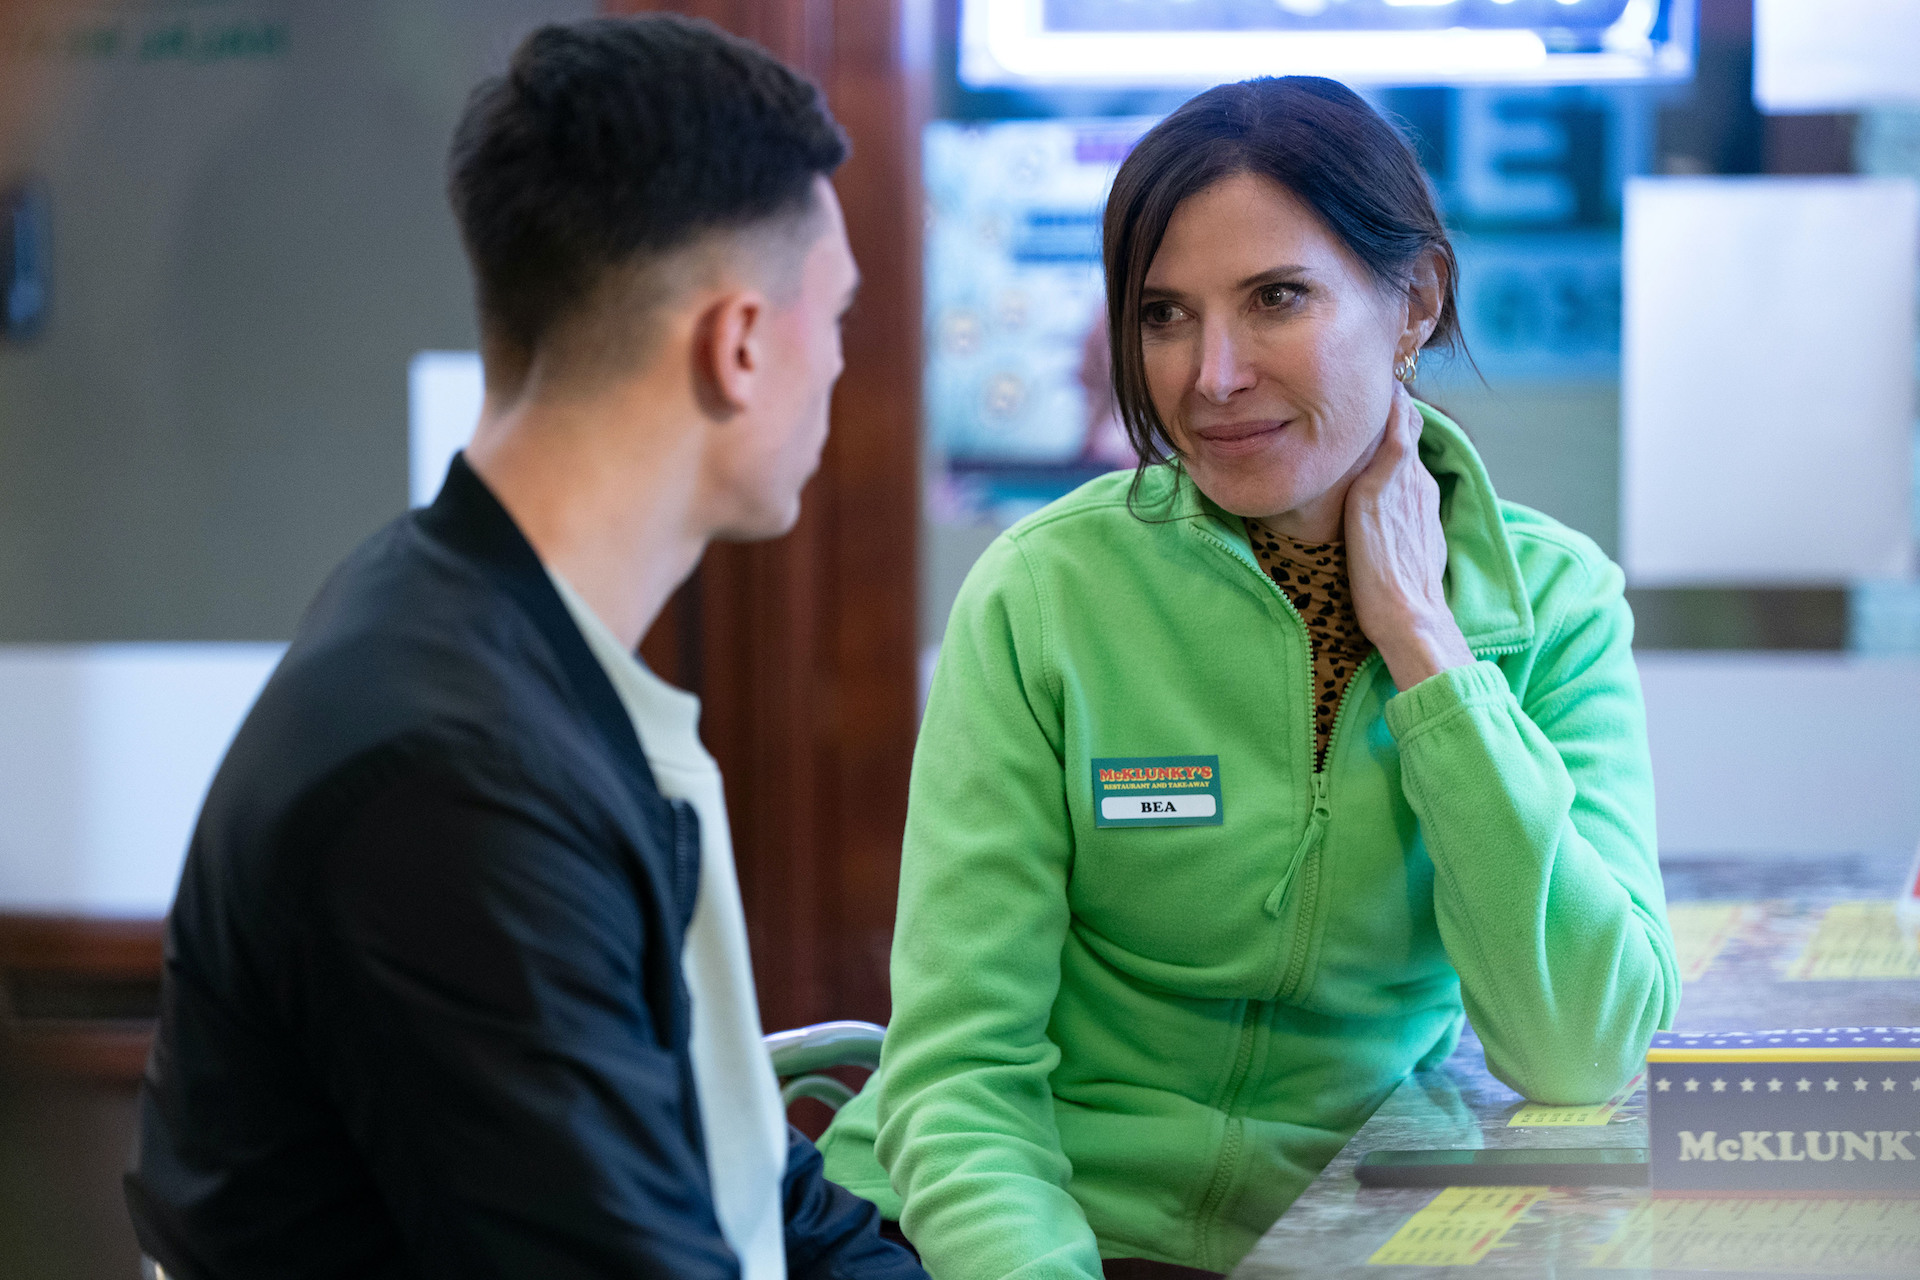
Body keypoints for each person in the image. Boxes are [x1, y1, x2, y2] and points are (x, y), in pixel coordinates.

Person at [818, 76, 1677, 1279]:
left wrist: (1430, 651)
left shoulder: (1556, 606)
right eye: (1164, 315)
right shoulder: (1045, 594)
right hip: (995, 1235)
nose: (1211, 374)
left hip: (1329, 1237)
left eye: (1276, 298)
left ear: (1415, 300)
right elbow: (962, 1074)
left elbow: (1580, 1046)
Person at [125, 17, 925, 1280]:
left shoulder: (497, 644)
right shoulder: (449, 771)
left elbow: (762, 1196)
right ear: (742, 343)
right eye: (837, 314)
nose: (837, 359)